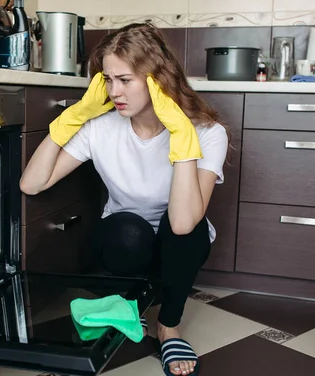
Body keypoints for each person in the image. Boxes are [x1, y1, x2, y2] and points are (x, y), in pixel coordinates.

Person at [19, 22, 230, 376]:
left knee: (187, 226)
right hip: (124, 246)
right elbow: (32, 183)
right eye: (107, 79)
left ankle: (168, 325)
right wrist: (72, 118)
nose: (114, 91)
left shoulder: (206, 133)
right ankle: (130, 303)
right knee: (129, 229)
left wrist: (181, 136)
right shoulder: (101, 127)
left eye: (126, 80)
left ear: (157, 78)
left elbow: (181, 222)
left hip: (176, 253)